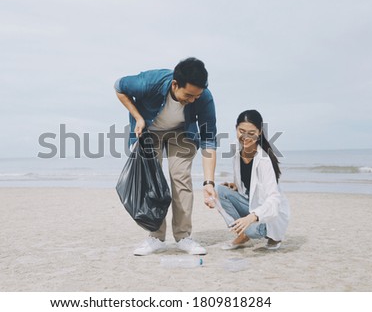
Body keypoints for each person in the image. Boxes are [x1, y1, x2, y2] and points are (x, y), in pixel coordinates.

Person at [115, 57, 217, 256]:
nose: (193, 100)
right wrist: (137, 117)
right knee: (153, 181)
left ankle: (183, 237)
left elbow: (209, 141)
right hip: (150, 130)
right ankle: (156, 237)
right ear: (174, 84)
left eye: (197, 96)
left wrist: (209, 182)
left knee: (181, 177)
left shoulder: (204, 97)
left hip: (182, 133)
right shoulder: (149, 82)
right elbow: (119, 87)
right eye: (188, 95)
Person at [206, 109, 290, 250]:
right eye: (241, 131)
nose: (245, 136)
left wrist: (252, 217)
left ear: (259, 132)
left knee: (251, 230)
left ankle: (256, 235)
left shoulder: (263, 160)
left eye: (251, 133)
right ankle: (243, 233)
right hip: (252, 207)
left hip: (268, 215)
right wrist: (235, 186)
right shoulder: (236, 150)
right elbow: (249, 184)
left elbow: (274, 199)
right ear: (236, 129)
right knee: (222, 190)